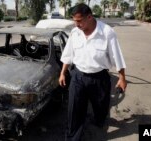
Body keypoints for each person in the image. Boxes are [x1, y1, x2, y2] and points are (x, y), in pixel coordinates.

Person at [58, 3, 127, 141]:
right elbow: (68, 54)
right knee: (74, 110)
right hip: (78, 76)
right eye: (74, 21)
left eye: (79, 21)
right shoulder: (75, 32)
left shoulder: (107, 33)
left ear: (89, 17)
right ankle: (72, 137)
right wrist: (63, 72)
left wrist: (122, 78)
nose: (76, 24)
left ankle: (99, 120)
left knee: (101, 107)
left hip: (99, 78)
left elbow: (117, 57)